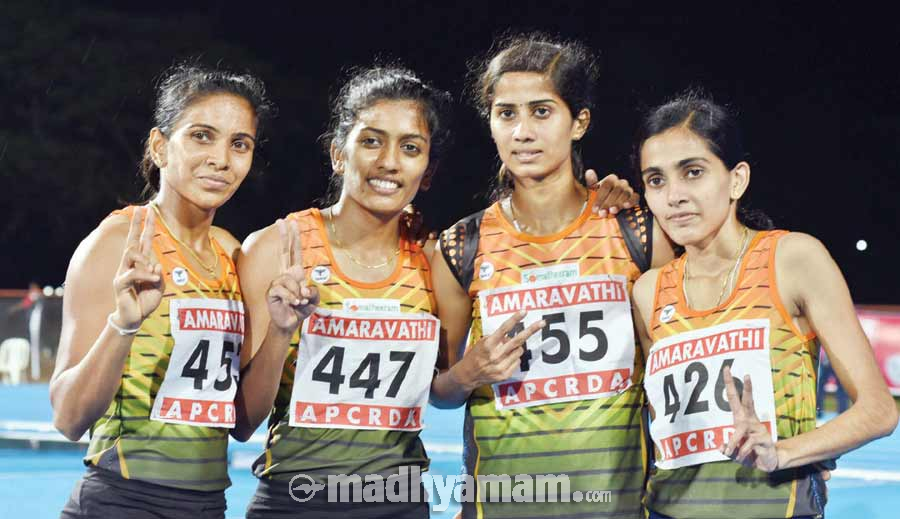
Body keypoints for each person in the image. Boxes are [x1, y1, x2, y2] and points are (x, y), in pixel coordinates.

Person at [429, 33, 674, 518]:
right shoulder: (460, 246)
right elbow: (439, 390)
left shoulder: (638, 231)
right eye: (506, 114)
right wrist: (467, 374)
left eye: (541, 112)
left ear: (579, 122)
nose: (522, 132)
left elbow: (673, 374)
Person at [630, 93, 898, 519]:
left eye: (693, 172)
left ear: (737, 180)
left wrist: (786, 452)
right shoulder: (648, 292)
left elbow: (878, 410)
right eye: (656, 180)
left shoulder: (793, 259)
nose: (674, 195)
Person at [51, 63, 273, 519]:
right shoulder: (117, 243)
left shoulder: (233, 254)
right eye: (201, 136)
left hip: (209, 505)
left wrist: (282, 330)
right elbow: (68, 418)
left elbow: (241, 424)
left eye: (239, 144)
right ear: (159, 146)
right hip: (121, 502)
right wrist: (123, 325)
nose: (221, 159)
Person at [235, 66, 454, 519]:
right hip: (294, 503)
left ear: (428, 171)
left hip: (399, 505)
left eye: (410, 148)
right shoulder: (275, 248)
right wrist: (280, 333)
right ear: (338, 153)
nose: (389, 162)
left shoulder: (435, 260)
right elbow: (241, 422)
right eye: (371, 141)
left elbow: (444, 387)